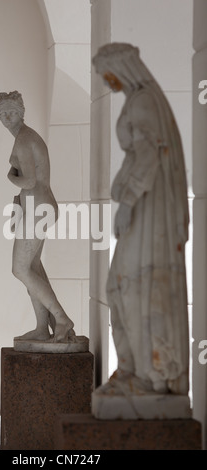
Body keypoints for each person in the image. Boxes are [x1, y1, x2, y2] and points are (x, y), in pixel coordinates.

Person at [92, 44, 189, 395]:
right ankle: (134, 368)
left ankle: (152, 374)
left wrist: (128, 201)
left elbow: (149, 154)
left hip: (149, 211)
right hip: (142, 207)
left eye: (106, 72)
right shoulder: (138, 99)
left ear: (120, 68)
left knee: (133, 286)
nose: (105, 80)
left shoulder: (144, 102)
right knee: (120, 286)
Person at [0, 91, 75, 343]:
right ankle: (43, 327)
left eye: (11, 112)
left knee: (20, 268)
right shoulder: (24, 137)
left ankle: (61, 319)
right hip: (38, 207)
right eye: (3, 113)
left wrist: (10, 177)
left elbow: (28, 180)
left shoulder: (24, 139)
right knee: (32, 268)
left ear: (21, 113)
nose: (7, 117)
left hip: (38, 207)